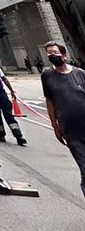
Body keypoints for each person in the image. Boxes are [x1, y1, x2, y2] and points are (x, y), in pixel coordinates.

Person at [41, 40, 85, 200]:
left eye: (54, 52)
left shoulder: (80, 74)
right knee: (84, 168)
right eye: (49, 53)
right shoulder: (47, 75)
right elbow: (49, 100)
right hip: (71, 131)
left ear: (64, 55)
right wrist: (55, 125)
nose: (51, 55)